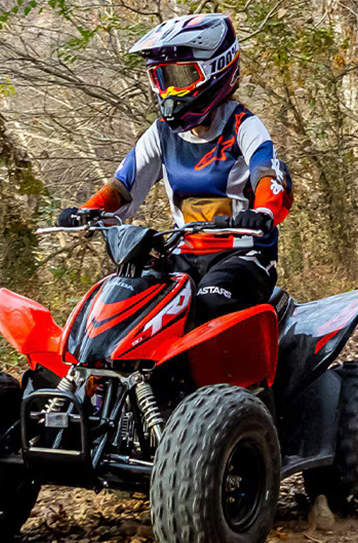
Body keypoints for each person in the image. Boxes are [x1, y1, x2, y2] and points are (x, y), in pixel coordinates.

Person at [57, 13, 293, 325]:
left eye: (180, 78)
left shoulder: (242, 126)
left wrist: (263, 213)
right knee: (128, 302)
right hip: (182, 255)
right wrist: (88, 212)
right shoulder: (161, 134)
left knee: (206, 306)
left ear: (217, 69)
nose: (169, 92)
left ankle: (231, 374)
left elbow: (270, 173)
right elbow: (122, 188)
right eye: (161, 79)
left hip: (243, 256)